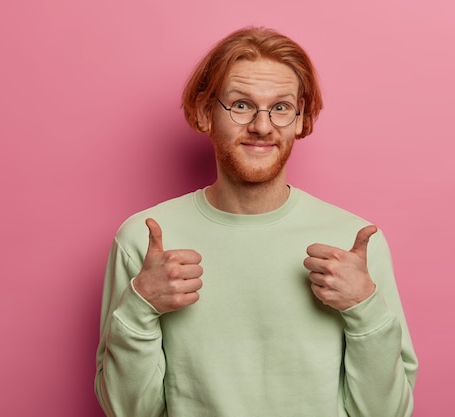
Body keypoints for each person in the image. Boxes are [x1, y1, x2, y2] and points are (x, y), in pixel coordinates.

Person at [95, 27, 418, 417]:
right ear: (203, 113)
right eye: (242, 105)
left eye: (280, 107)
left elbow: (387, 413)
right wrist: (139, 309)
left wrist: (365, 307)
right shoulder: (144, 241)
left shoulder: (353, 242)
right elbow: (127, 411)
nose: (262, 127)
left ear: (301, 118)